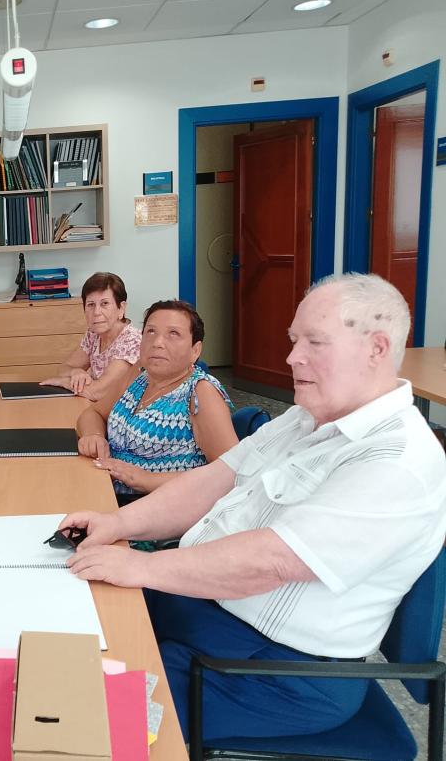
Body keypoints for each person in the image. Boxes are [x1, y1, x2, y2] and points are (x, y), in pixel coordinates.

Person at [60, 273, 446, 742]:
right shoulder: (305, 418)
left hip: (281, 669)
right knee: (70, 622)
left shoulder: (397, 461)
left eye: (314, 342)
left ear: (376, 349)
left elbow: (271, 562)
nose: (292, 357)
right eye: (294, 340)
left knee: (88, 720)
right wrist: (116, 522)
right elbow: (212, 481)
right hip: (211, 609)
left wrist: (138, 565)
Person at [76, 300, 237, 498]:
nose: (158, 342)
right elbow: (93, 413)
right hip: (106, 489)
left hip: (161, 507)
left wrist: (147, 480)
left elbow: (231, 474)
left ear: (195, 350)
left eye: (173, 333)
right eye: (151, 331)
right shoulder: (140, 373)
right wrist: (94, 436)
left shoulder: (201, 392)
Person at [39, 272, 141, 400]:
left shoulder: (132, 341)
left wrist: (62, 382)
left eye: (105, 303)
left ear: (121, 308)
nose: (96, 312)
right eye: (91, 305)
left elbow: (98, 392)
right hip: (96, 406)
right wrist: (76, 372)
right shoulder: (94, 334)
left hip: (123, 411)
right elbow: (64, 369)